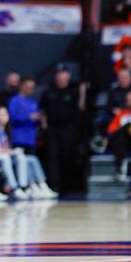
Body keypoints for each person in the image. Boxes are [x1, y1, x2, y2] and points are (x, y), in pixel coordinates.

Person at [40, 65, 84, 194]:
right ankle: (54, 186)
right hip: (53, 129)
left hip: (68, 129)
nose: (61, 76)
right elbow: (42, 110)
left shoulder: (73, 91)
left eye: (64, 73)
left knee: (68, 156)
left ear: (68, 76)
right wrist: (44, 123)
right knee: (53, 157)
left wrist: (82, 93)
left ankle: (67, 186)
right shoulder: (49, 91)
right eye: (59, 74)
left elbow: (80, 108)